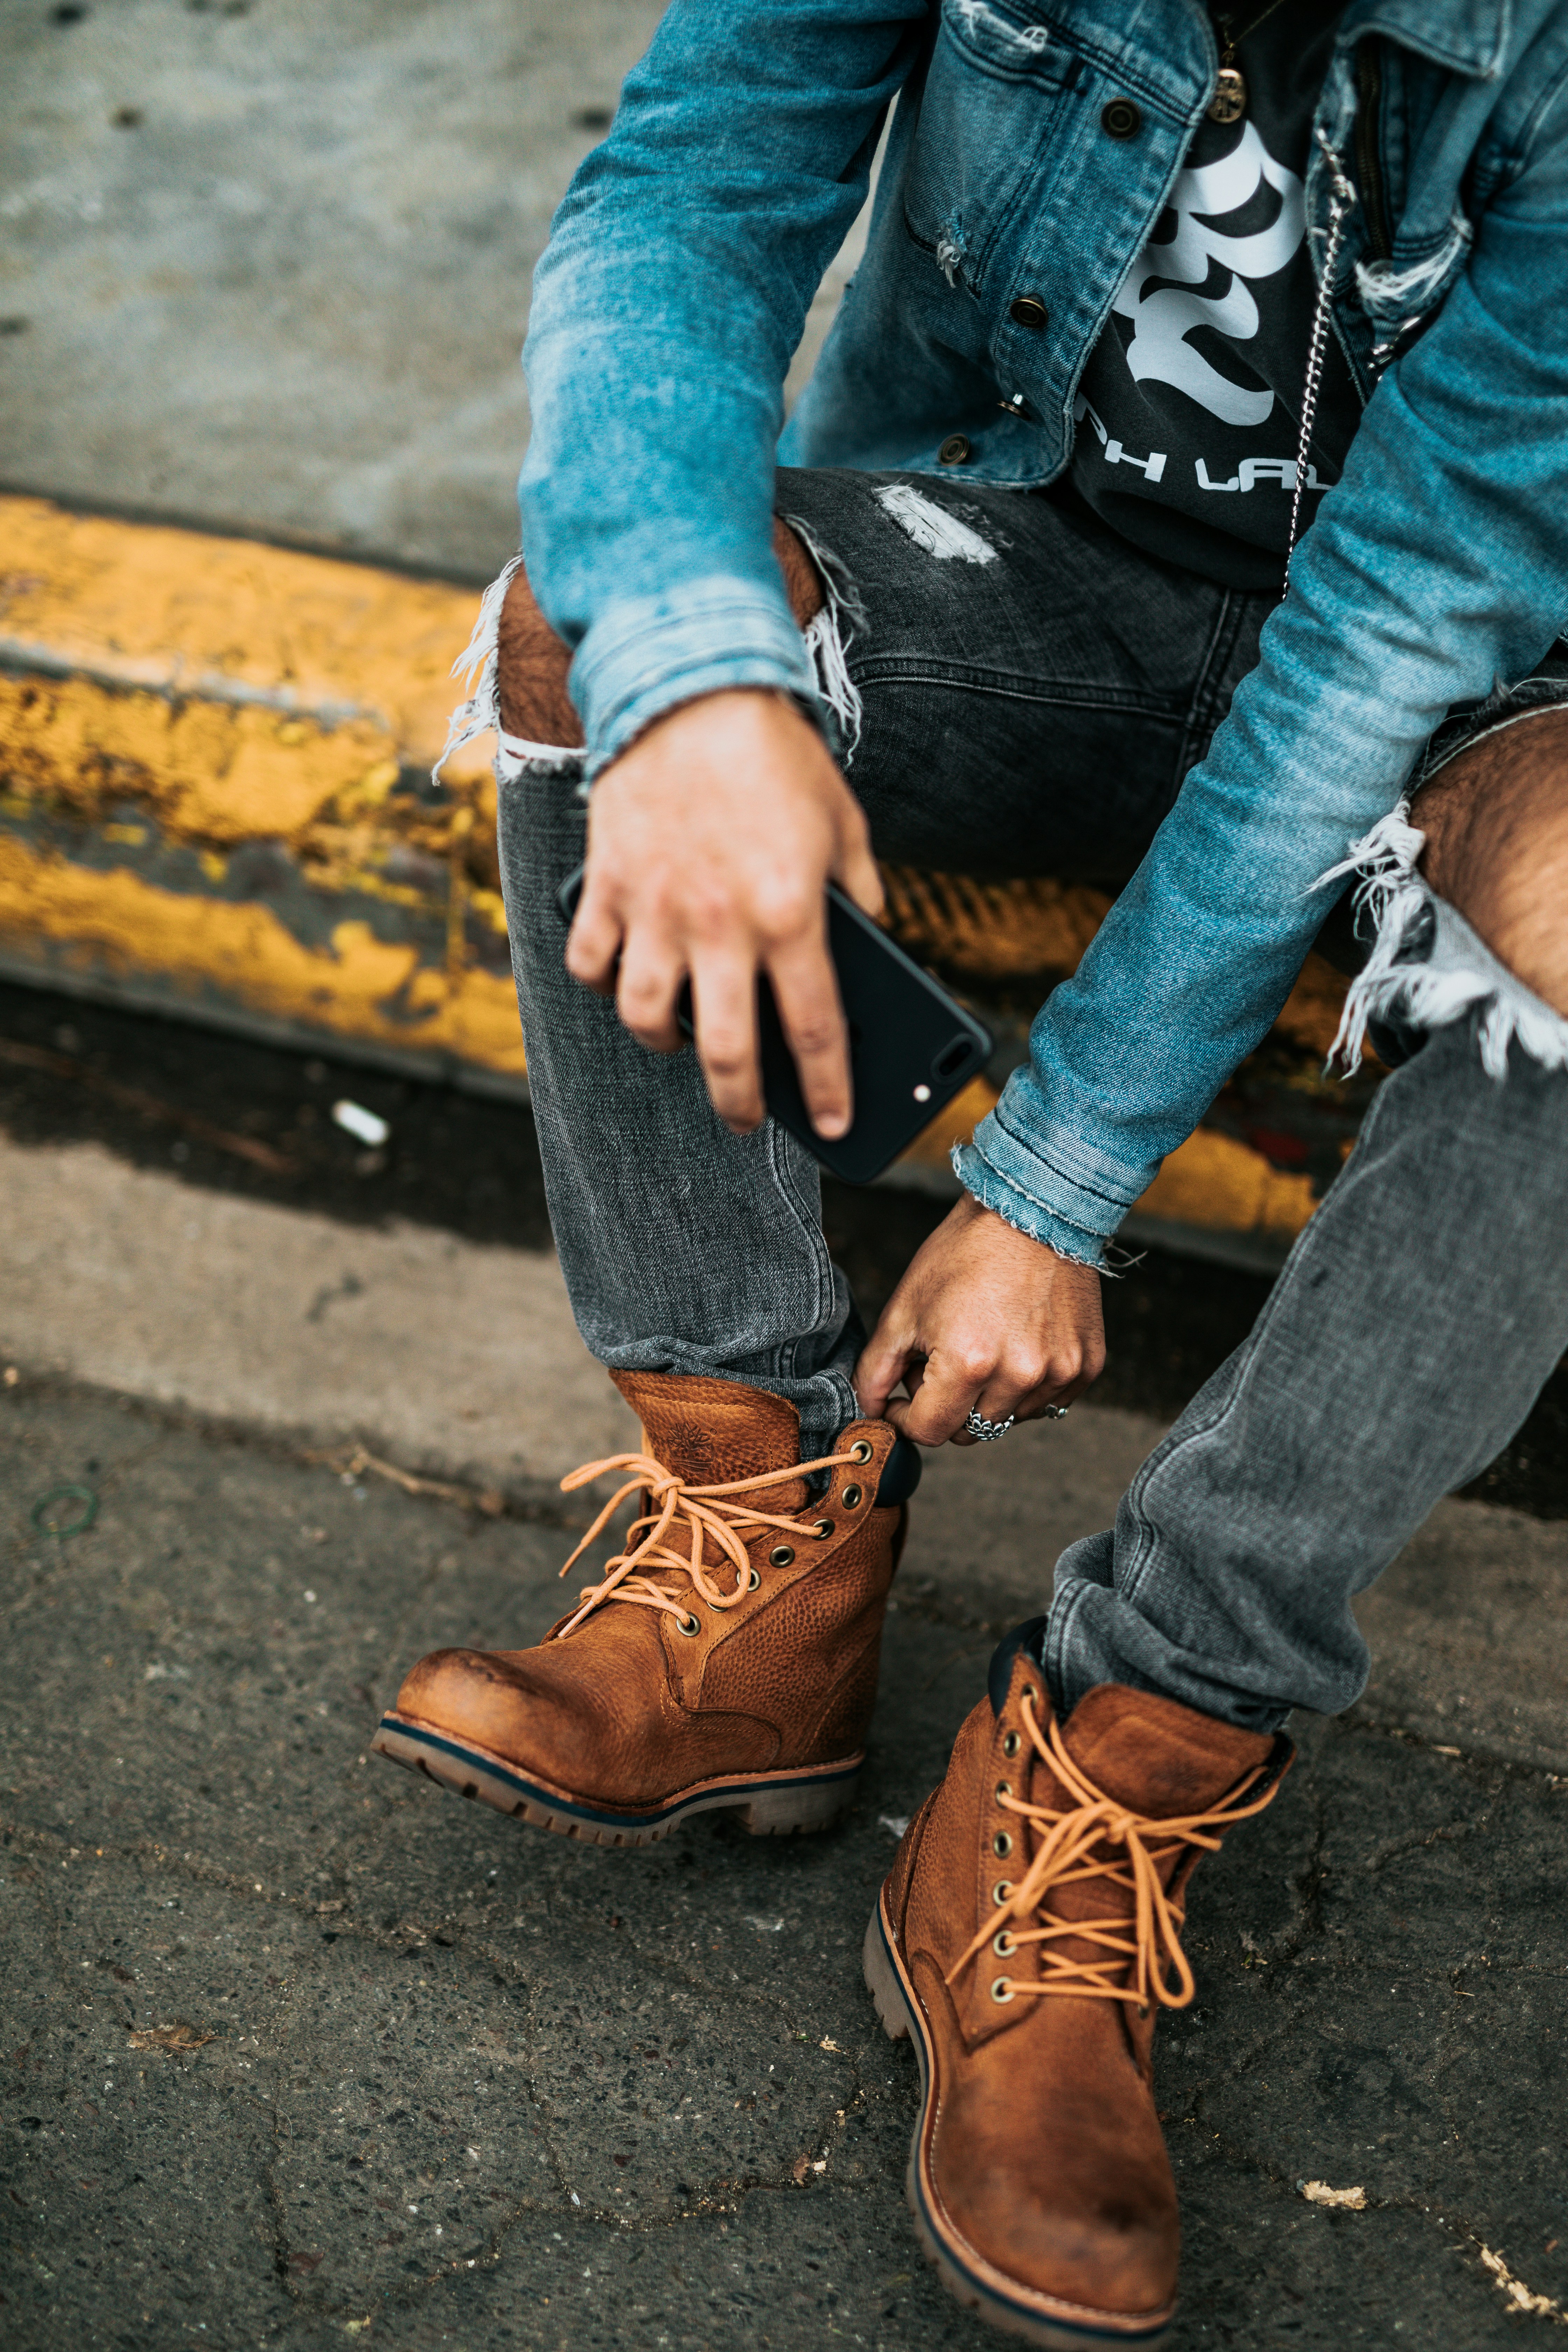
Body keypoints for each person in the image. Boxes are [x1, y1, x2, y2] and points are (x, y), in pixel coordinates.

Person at [372, 2, 1568, 2339]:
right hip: (1036, 565)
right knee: (593, 612)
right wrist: (701, 673)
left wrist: (1051, 1178)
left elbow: (1405, 604)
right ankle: (762, 1547)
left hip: (1468, 685)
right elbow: (686, 208)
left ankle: (1110, 1755)